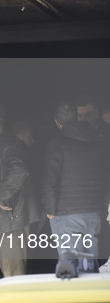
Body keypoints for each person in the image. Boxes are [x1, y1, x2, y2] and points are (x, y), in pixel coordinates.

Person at [0, 103, 39, 277]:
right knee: (10, 269)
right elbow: (1, 172)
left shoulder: (8, 143)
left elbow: (18, 169)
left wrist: (1, 197)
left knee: (13, 272)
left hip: (11, 218)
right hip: (7, 219)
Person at [44, 102, 107, 259]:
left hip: (65, 214)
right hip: (93, 213)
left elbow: (51, 181)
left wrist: (50, 211)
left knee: (71, 267)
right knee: (90, 266)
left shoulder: (57, 144)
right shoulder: (97, 143)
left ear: (57, 122)